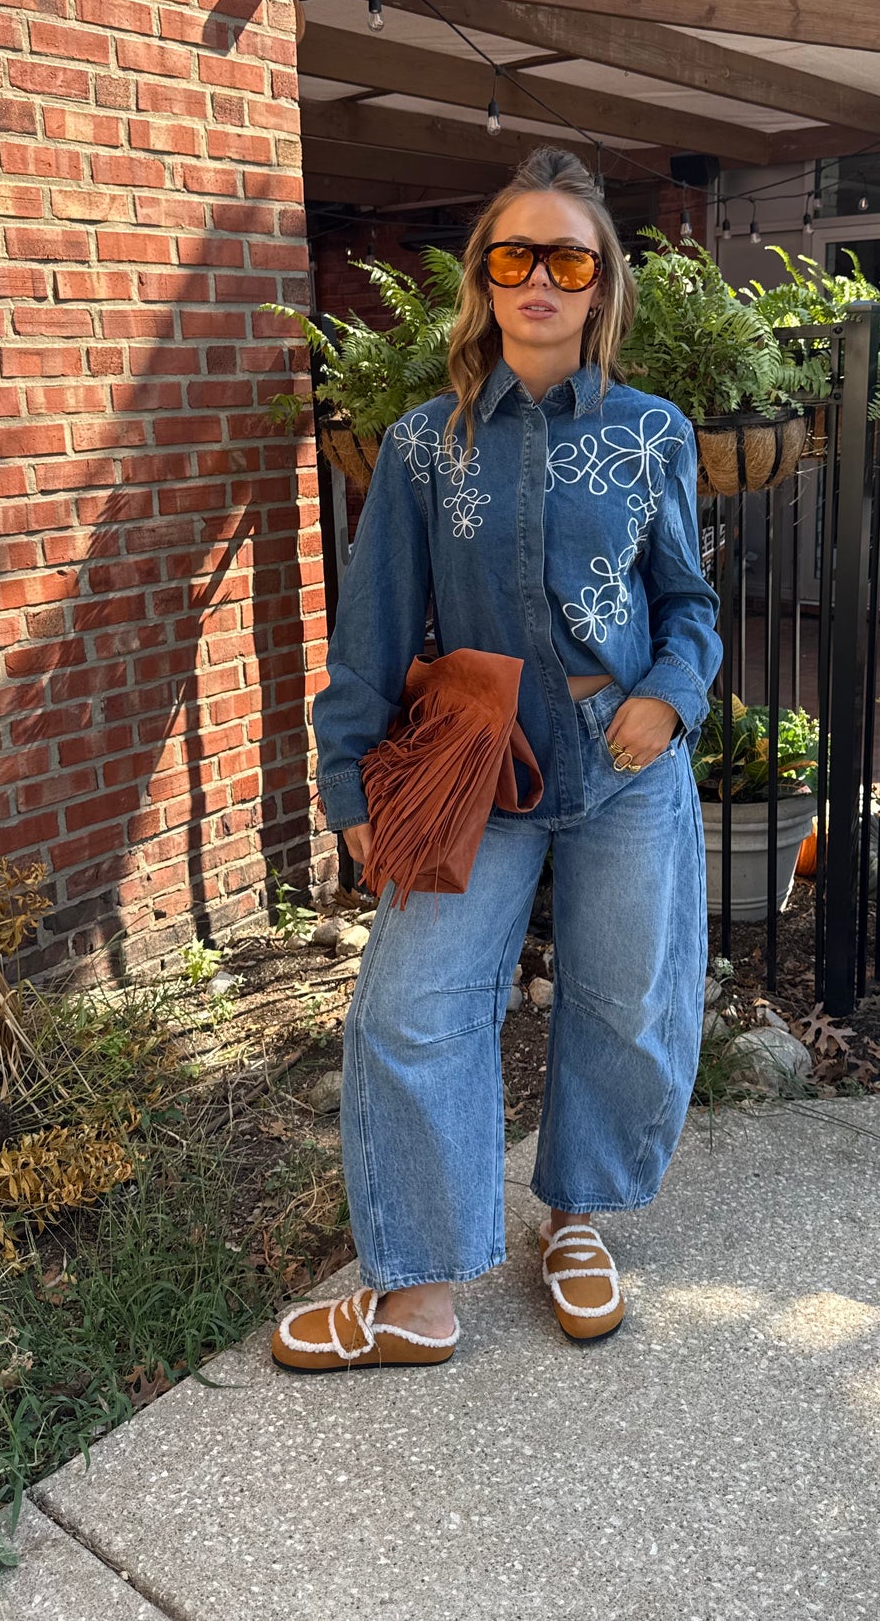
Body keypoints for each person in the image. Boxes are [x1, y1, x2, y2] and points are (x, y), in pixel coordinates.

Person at [272, 146, 722, 1373]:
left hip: (624, 762)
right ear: (482, 279)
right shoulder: (425, 446)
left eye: (564, 258)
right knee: (411, 1006)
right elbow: (371, 626)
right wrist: (348, 779)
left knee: (624, 1000)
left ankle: (571, 1220)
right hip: (480, 766)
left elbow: (688, 603)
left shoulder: (650, 436)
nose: (538, 278)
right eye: (512, 255)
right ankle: (417, 1291)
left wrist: (670, 700)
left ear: (598, 285)